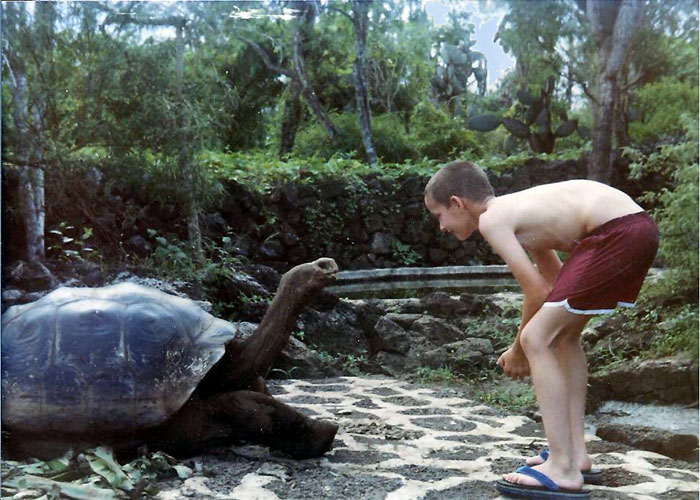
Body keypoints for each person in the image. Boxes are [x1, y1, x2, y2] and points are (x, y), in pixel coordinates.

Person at [424, 161, 659, 500]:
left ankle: (562, 468)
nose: (442, 227)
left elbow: (535, 292)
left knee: (536, 338)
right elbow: (554, 284)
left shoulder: (492, 218)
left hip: (616, 233)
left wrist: (519, 348)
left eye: (439, 215)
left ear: (458, 203)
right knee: (563, 337)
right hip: (635, 230)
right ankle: (575, 455)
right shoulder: (523, 214)